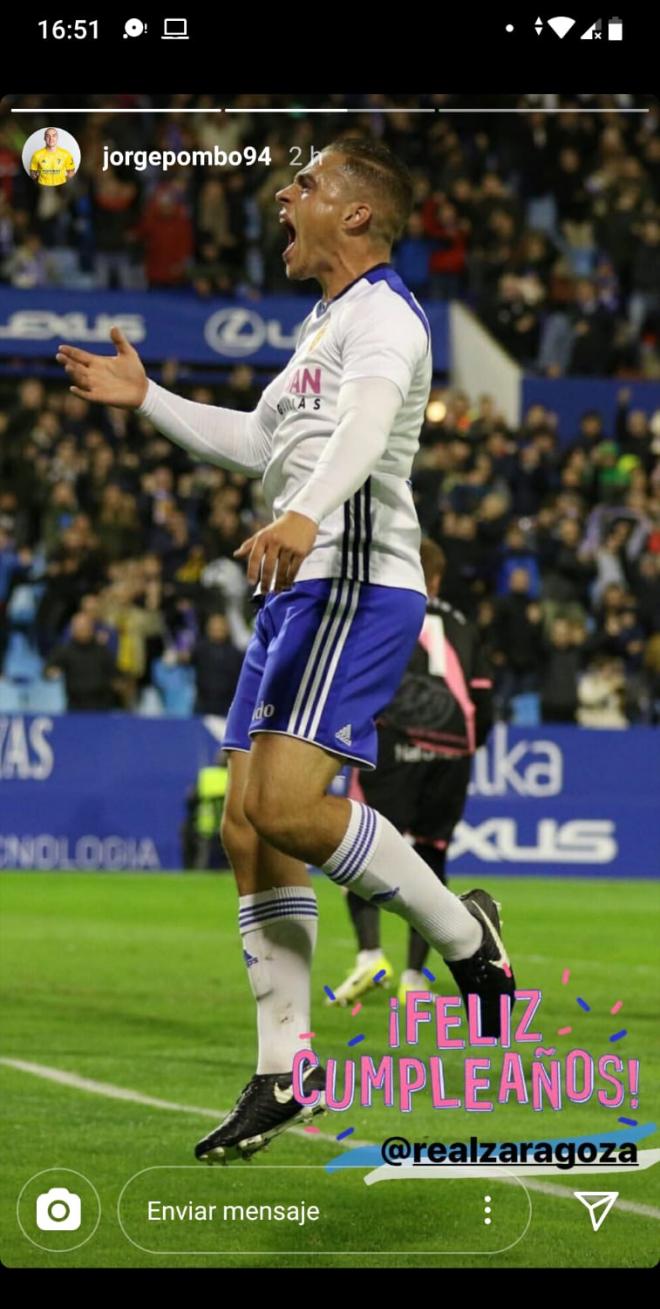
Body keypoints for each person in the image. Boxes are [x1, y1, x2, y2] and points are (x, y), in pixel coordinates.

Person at [56, 138, 515, 1166]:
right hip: (298, 587)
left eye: (305, 182)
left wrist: (305, 518)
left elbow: (359, 436)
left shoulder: (388, 316)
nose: (283, 192)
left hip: (353, 579)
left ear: (357, 215)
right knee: (249, 831)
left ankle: (463, 936)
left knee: (292, 808)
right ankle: (284, 1064)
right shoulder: (323, 326)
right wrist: (150, 402)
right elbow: (267, 442)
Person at [331, 538, 494, 1006]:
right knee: (430, 855)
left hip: (395, 746)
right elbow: (483, 698)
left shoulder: (384, 609)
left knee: (356, 847)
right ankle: (415, 977)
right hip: (451, 757)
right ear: (438, 578)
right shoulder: (462, 624)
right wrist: (464, 748)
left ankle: (369, 955)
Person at [45, 611, 117, 710]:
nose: (82, 631)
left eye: (85, 628)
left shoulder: (102, 651)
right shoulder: (65, 650)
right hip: (75, 704)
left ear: (91, 629)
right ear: (72, 630)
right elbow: (48, 670)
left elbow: (115, 674)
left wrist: (118, 683)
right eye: (79, 628)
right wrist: (51, 672)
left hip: (101, 705)